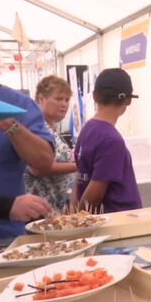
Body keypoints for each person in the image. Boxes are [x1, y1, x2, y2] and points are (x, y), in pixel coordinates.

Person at [0, 31, 54, 238]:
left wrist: (12, 127)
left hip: (4, 239)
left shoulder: (17, 104)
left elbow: (43, 161)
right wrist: (6, 206)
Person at [72, 68, 142, 213]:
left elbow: (78, 180)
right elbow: (94, 194)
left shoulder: (86, 130)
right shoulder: (112, 140)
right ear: (128, 100)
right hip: (119, 221)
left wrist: (73, 215)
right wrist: (78, 221)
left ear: (95, 96)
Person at [24, 75, 76, 210]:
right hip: (36, 210)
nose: (64, 104)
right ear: (41, 99)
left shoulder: (52, 128)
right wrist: (78, 166)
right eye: (58, 99)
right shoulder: (35, 128)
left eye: (67, 99)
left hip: (53, 207)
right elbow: (37, 168)